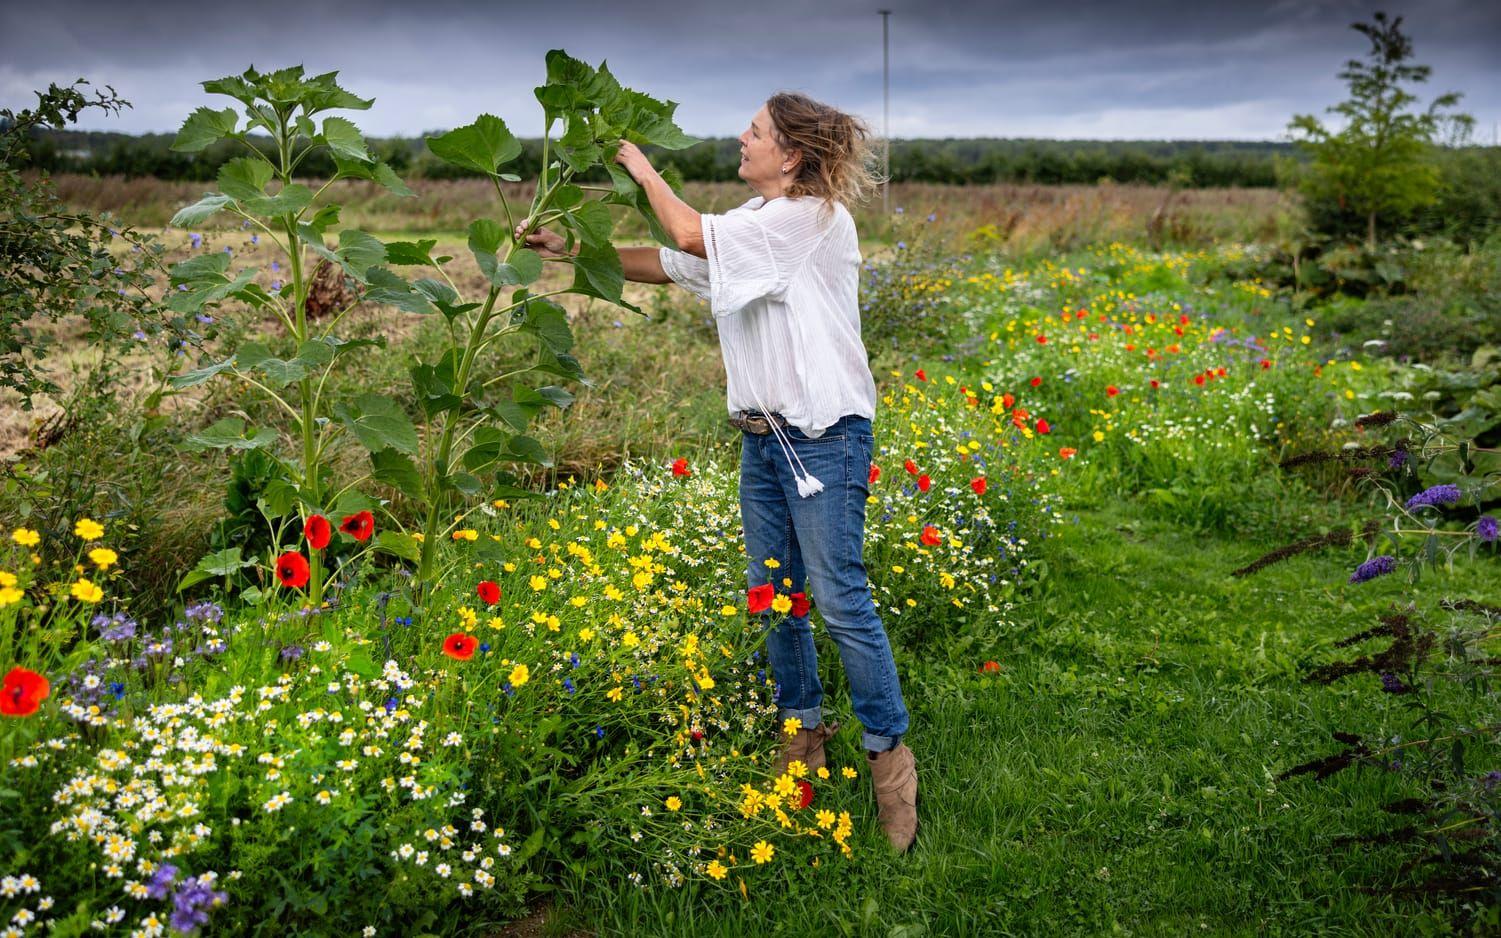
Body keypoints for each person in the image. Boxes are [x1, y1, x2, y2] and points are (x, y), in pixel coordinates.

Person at [516, 92, 917, 852]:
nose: (743, 137)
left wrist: (638, 166)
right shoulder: (757, 225)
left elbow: (680, 229)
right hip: (764, 440)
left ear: (791, 154)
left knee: (837, 598)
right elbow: (670, 264)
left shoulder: (808, 220)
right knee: (774, 594)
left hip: (825, 436)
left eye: (757, 131)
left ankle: (889, 759)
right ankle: (801, 735)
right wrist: (566, 252)